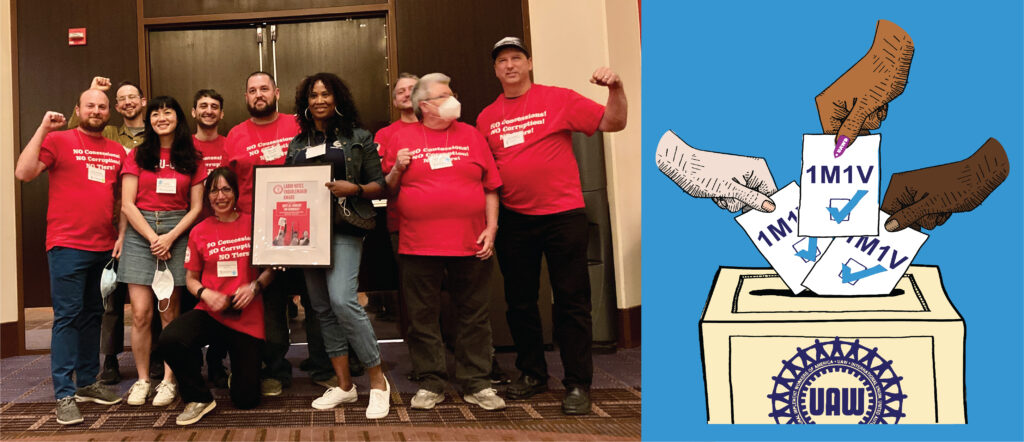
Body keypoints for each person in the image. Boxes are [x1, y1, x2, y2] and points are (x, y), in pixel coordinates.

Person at [475, 36, 627, 415]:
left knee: (572, 301)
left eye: (515, 58)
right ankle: (532, 374)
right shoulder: (486, 117)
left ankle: (578, 383)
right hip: (515, 219)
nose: (509, 65)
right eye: (501, 61)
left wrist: (617, 88)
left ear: (528, 63)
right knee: (520, 302)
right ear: (495, 70)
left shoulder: (559, 99)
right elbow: (485, 176)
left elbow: (614, 122)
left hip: (563, 216)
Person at [383, 73, 505, 411]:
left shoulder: (472, 135)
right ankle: (431, 381)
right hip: (418, 245)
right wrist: (396, 168)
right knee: (423, 317)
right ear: (425, 105)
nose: (453, 99)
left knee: (475, 316)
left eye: (452, 93)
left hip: (472, 243)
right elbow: (388, 189)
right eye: (445, 95)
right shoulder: (402, 138)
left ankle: (477, 383)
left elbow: (491, 187)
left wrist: (491, 228)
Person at [14, 89, 125, 425]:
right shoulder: (59, 140)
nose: (96, 110)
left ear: (109, 113)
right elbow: (24, 172)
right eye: (90, 105)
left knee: (94, 314)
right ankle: (64, 393)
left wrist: (120, 237)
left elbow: (121, 200)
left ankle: (88, 382)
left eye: (102, 106)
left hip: (104, 247)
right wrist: (43, 129)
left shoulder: (117, 150)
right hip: (66, 245)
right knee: (67, 317)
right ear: (78, 109)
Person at [286, 72, 391, 419]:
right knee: (321, 308)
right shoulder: (297, 144)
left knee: (344, 301)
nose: (319, 100)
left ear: (338, 98)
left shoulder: (360, 137)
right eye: (313, 95)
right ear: (305, 103)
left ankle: (378, 382)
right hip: (306, 235)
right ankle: (345, 386)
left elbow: (380, 185)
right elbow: (286, 188)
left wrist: (355, 189)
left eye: (325, 94)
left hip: (345, 228)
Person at [159, 167, 275, 426]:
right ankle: (198, 398)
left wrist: (254, 287)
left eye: (226, 189)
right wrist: (204, 293)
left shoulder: (254, 224)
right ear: (207, 196)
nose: (220, 196)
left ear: (235, 193)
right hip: (211, 312)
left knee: (246, 400)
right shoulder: (199, 231)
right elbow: (190, 279)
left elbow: (270, 270)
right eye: (213, 190)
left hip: (246, 317)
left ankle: (241, 373)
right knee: (170, 339)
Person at [69, 76, 161, 385]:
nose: (128, 102)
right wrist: (97, 90)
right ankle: (108, 360)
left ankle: (156, 357)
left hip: (149, 224)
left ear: (143, 101)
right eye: (121, 99)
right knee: (109, 296)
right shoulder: (107, 132)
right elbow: (74, 130)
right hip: (110, 224)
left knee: (152, 297)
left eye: (133, 96)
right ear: (116, 106)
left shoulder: (157, 134)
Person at [224, 71, 308, 396]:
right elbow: (227, 187)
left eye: (264, 89)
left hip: (301, 226)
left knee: (317, 299)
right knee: (269, 302)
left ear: (277, 92)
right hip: (256, 232)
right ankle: (275, 368)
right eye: (252, 90)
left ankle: (326, 365)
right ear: (245, 97)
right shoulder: (235, 135)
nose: (259, 94)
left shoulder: (297, 126)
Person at [119, 96, 206, 407]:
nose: (161, 117)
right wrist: (153, 237)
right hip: (141, 232)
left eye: (168, 111)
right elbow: (127, 204)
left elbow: (196, 208)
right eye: (155, 113)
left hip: (177, 232)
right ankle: (143, 380)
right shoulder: (137, 155)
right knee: (141, 314)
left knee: (169, 313)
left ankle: (169, 380)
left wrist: (169, 237)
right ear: (149, 120)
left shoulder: (193, 157)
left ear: (178, 117)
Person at [188, 88, 231, 387]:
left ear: (221, 114)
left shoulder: (231, 145)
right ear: (193, 112)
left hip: (225, 235)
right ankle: (189, 365)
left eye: (214, 106)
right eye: (203, 106)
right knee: (191, 298)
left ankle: (217, 361)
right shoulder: (183, 146)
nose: (208, 111)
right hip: (190, 233)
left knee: (223, 294)